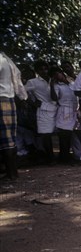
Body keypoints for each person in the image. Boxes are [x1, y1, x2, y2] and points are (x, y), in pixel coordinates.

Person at [0, 52, 27, 180]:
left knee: (6, 139)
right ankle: (12, 172)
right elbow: (18, 82)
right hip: (9, 99)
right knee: (9, 138)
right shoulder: (7, 60)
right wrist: (22, 97)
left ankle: (11, 173)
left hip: (1, 99)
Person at [26, 60, 57, 163]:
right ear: (37, 71)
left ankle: (63, 156)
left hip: (56, 109)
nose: (44, 71)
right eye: (41, 69)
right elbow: (22, 92)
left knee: (62, 133)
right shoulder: (33, 82)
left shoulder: (53, 79)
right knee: (46, 135)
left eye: (45, 69)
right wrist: (33, 103)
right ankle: (50, 158)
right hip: (43, 110)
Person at [49, 66, 78, 164]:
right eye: (54, 75)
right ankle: (64, 157)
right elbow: (54, 98)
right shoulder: (57, 86)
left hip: (73, 110)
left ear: (62, 73)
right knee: (63, 135)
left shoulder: (72, 83)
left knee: (69, 135)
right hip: (64, 110)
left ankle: (66, 156)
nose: (57, 76)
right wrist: (52, 85)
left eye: (58, 73)